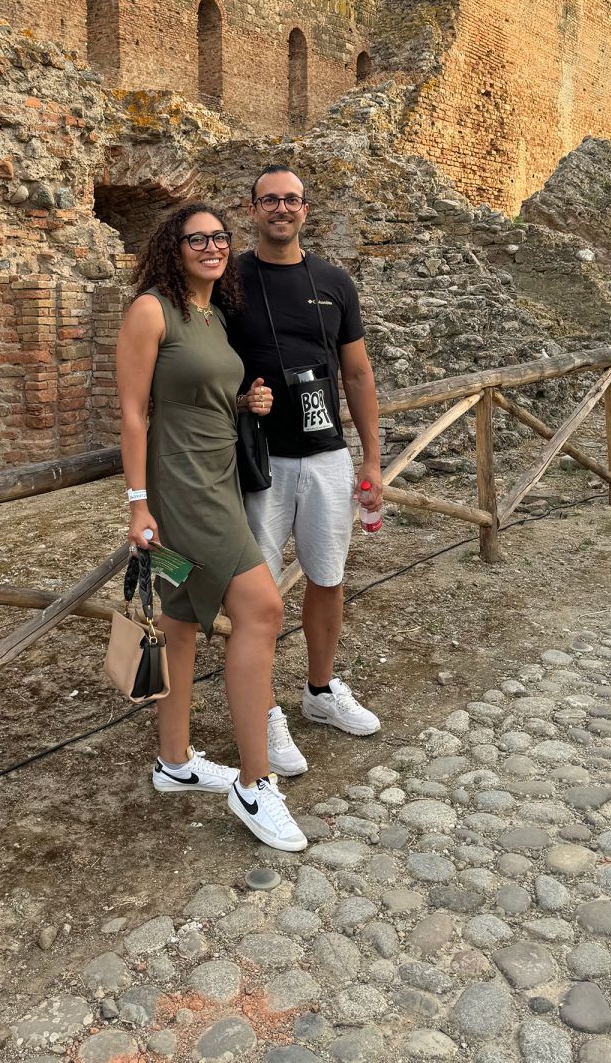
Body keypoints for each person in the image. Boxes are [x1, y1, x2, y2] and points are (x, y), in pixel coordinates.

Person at [115, 202, 307, 852]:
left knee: (179, 621)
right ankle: (255, 785)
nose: (212, 247)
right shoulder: (150, 311)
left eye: (220, 237)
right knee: (262, 608)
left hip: (218, 477)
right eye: (197, 238)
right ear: (173, 247)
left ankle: (175, 762)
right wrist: (139, 503)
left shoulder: (213, 316)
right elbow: (135, 412)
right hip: (183, 491)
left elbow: (201, 393)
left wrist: (244, 399)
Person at [226, 165, 383, 779]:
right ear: (253, 209)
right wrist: (240, 400)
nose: (281, 209)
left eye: (290, 200)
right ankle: (262, 709)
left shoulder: (335, 282)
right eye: (270, 200)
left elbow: (359, 374)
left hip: (326, 455)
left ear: (306, 210)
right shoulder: (231, 279)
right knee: (257, 595)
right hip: (257, 457)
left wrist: (371, 458)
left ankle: (319, 691)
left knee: (328, 576)